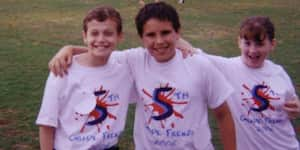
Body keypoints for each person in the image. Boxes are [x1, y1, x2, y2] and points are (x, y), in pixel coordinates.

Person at [48, 2, 236, 150]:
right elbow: (100, 51)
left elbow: (224, 114)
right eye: (151, 35)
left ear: (178, 33)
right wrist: (70, 49)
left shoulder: (199, 64)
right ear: (141, 38)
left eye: (166, 33)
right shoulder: (135, 59)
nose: (159, 41)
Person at [178, 16, 300, 150]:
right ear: (239, 42)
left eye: (259, 44)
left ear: (272, 44)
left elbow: (292, 103)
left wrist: (296, 108)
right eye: (247, 43)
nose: (253, 50)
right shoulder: (226, 68)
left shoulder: (279, 73)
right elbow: (189, 50)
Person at [36, 6, 137, 150]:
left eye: (108, 33)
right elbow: (47, 124)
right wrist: (69, 48)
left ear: (120, 36)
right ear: (84, 36)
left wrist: (181, 43)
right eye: (94, 33)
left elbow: (159, 49)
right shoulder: (63, 69)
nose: (101, 39)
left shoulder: (125, 68)